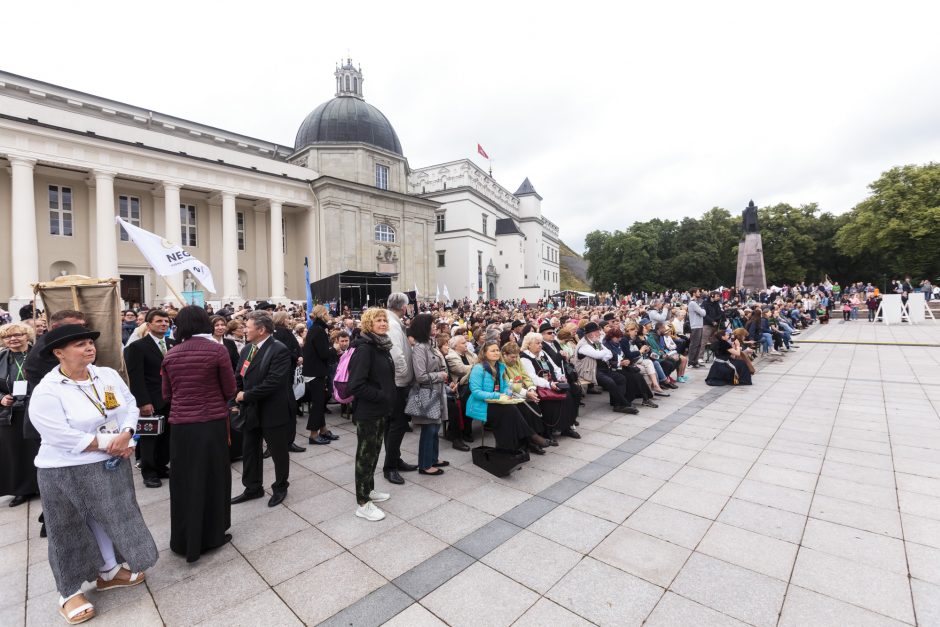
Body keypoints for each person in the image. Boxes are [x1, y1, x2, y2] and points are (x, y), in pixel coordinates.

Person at [29, 324, 157, 625]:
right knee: (68, 527)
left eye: (90, 342)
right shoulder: (48, 390)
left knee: (112, 516)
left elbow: (128, 406)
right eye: (80, 345)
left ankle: (110, 570)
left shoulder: (107, 375)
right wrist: (108, 443)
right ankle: (69, 591)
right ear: (59, 353)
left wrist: (126, 434)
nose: (89, 348)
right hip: (65, 468)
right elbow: (59, 435)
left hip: (111, 459)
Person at [160, 306, 237, 563]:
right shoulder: (217, 350)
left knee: (183, 482)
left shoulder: (171, 354)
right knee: (213, 478)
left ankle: (184, 539)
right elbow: (229, 389)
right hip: (210, 422)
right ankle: (212, 534)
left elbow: (167, 394)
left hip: (181, 426)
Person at [232, 311, 293, 508]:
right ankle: (253, 487)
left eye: (247, 327)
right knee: (250, 450)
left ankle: (280, 486)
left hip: (272, 410)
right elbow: (239, 375)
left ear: (261, 329)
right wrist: (238, 393)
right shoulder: (247, 349)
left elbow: (274, 382)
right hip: (250, 410)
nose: (244, 330)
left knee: (278, 452)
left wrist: (247, 395)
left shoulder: (279, 349)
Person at [346, 308, 396, 522]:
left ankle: (369, 488)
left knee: (374, 453)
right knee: (365, 457)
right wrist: (381, 395)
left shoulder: (381, 345)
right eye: (378, 320)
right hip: (368, 412)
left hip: (380, 410)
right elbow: (355, 385)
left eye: (384, 319)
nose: (383, 323)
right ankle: (363, 502)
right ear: (369, 323)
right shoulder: (366, 348)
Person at [466, 340, 549, 451]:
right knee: (509, 411)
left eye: (497, 350)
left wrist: (507, 394)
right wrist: (498, 396)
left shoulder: (500, 367)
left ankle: (513, 448)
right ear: (484, 353)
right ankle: (530, 437)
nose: (496, 353)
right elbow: (476, 392)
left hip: (498, 401)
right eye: (492, 351)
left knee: (515, 409)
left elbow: (505, 386)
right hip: (482, 404)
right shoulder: (478, 368)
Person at [123, 309, 174, 488]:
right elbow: (135, 377)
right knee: (149, 438)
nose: (163, 324)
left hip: (172, 399)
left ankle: (161, 466)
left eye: (166, 321)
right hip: (151, 399)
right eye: (159, 321)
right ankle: (149, 472)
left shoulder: (173, 343)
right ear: (149, 324)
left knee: (167, 436)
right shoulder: (137, 347)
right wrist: (143, 402)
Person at [0, 322, 40, 506]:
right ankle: (22, 490)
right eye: (8, 336)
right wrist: (1, 397)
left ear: (27, 336)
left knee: (36, 448)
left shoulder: (39, 354)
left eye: (17, 335)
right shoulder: (1, 357)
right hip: (11, 412)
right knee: (15, 451)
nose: (13, 339)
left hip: (36, 408)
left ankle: (40, 485)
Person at [383, 292, 418, 486]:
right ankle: (390, 467)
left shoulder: (392, 321)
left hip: (396, 381)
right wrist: (405, 374)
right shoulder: (393, 325)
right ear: (404, 307)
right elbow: (396, 353)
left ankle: (395, 459)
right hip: (397, 382)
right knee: (396, 425)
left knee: (393, 425)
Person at [408, 314, 450, 476]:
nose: (434, 327)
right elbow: (421, 376)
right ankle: (425, 464)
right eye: (431, 325)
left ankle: (433, 458)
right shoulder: (419, 348)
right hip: (427, 392)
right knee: (429, 429)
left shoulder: (428, 344)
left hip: (436, 391)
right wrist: (439, 376)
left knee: (435, 426)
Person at [519, 332, 579, 440]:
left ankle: (566, 427)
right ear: (529, 345)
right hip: (538, 386)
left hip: (551, 383)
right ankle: (548, 432)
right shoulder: (525, 358)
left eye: (541, 343)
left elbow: (555, 367)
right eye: (537, 343)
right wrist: (549, 384)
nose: (540, 345)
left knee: (568, 395)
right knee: (550, 402)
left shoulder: (542, 353)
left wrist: (561, 377)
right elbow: (532, 377)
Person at [303, 305, 339, 445]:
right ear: (322, 315)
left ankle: (323, 430)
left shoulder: (317, 329)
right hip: (315, 372)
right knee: (318, 404)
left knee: (320, 402)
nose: (329, 315)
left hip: (315, 371)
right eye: (327, 313)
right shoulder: (318, 330)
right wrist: (334, 349)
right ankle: (313, 434)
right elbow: (323, 354)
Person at [271, 311, 305, 453]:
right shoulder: (280, 333)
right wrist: (296, 357)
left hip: (288, 372)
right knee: (289, 407)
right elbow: (285, 350)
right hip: (285, 374)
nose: (289, 320)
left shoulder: (282, 331)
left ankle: (286, 441)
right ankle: (287, 441)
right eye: (287, 318)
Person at [444, 335, 476, 450]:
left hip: (470, 384)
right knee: (469, 397)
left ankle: (465, 430)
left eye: (466, 342)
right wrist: (475, 367)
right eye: (463, 343)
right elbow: (461, 370)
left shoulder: (468, 353)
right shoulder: (451, 356)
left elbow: (478, 363)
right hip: (458, 387)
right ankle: (464, 431)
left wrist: (473, 368)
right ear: (455, 346)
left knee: (473, 394)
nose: (466, 344)